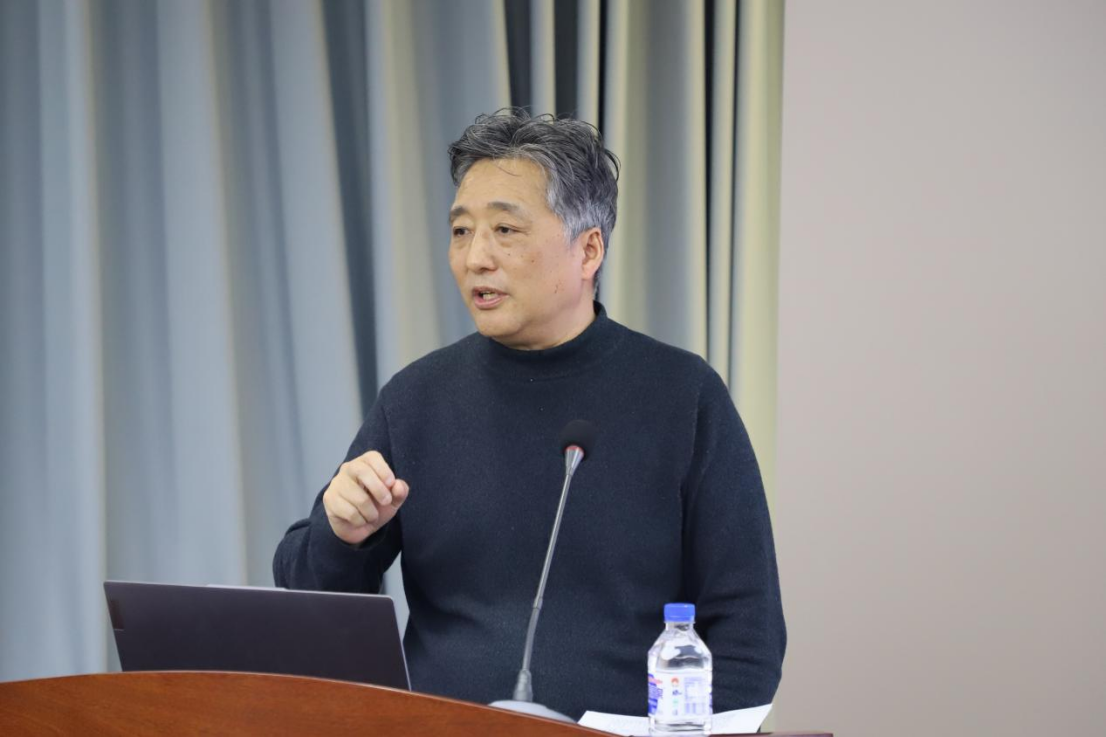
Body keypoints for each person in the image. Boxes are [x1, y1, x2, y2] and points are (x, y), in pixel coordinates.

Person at [273, 110, 785, 720]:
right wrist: (342, 534)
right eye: (461, 231)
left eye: (505, 230)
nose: (475, 258)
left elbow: (748, 629)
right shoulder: (417, 398)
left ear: (588, 249)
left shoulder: (683, 395)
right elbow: (309, 600)